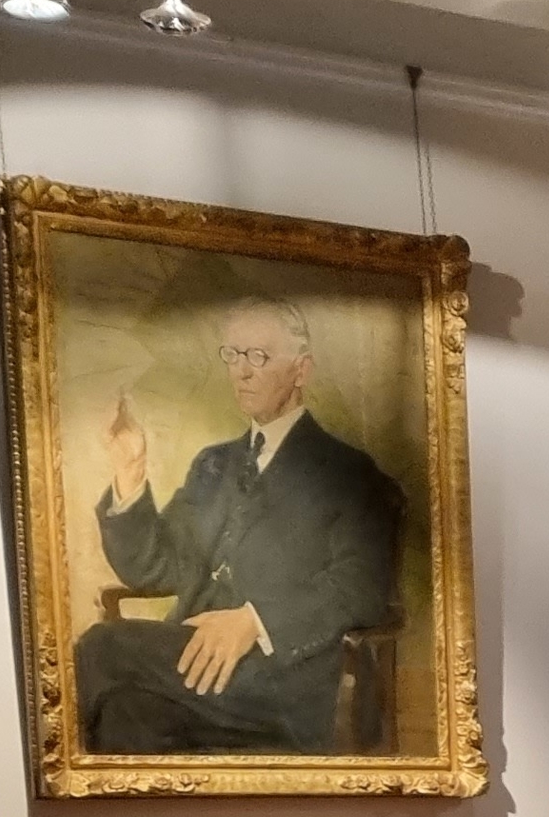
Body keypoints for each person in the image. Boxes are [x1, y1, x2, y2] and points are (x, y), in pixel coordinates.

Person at [72, 294, 400, 755]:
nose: (241, 371)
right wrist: (131, 472)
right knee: (127, 714)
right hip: (195, 671)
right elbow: (154, 568)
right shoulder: (213, 464)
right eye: (233, 354)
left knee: (102, 647)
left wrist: (254, 621)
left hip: (276, 682)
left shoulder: (350, 474)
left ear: (301, 370)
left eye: (259, 357)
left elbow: (360, 587)